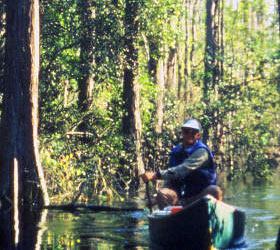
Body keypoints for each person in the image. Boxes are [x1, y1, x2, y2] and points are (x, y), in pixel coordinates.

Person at [141, 118, 222, 209]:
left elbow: (182, 170)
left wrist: (156, 175)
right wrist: (158, 198)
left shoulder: (202, 152)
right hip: (182, 198)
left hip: (199, 196)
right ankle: (172, 219)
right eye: (186, 131)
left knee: (214, 190)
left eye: (193, 132)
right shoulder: (176, 151)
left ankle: (209, 216)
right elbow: (171, 176)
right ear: (182, 133)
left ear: (198, 135)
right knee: (163, 193)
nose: (189, 135)